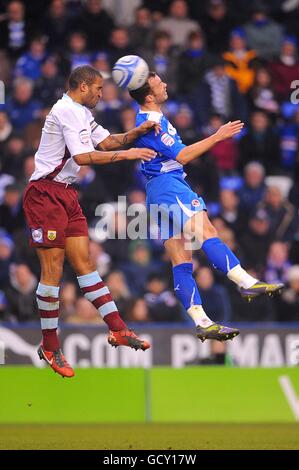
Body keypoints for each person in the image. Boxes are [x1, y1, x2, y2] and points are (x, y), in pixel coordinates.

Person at [22, 65, 160, 378]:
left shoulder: (81, 113)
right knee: (53, 271)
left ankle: (118, 329)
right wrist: (130, 155)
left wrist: (135, 135)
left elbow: (106, 142)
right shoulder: (67, 110)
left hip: (67, 194)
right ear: (83, 86)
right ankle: (50, 345)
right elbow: (84, 157)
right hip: (45, 194)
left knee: (86, 265)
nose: (101, 93)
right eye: (98, 88)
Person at [130, 72, 284, 342]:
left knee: (181, 259)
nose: (165, 84)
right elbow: (183, 155)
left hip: (156, 191)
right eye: (159, 83)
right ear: (150, 96)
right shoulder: (153, 122)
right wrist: (217, 136)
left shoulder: (146, 120)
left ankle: (201, 320)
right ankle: (245, 282)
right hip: (169, 186)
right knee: (208, 232)